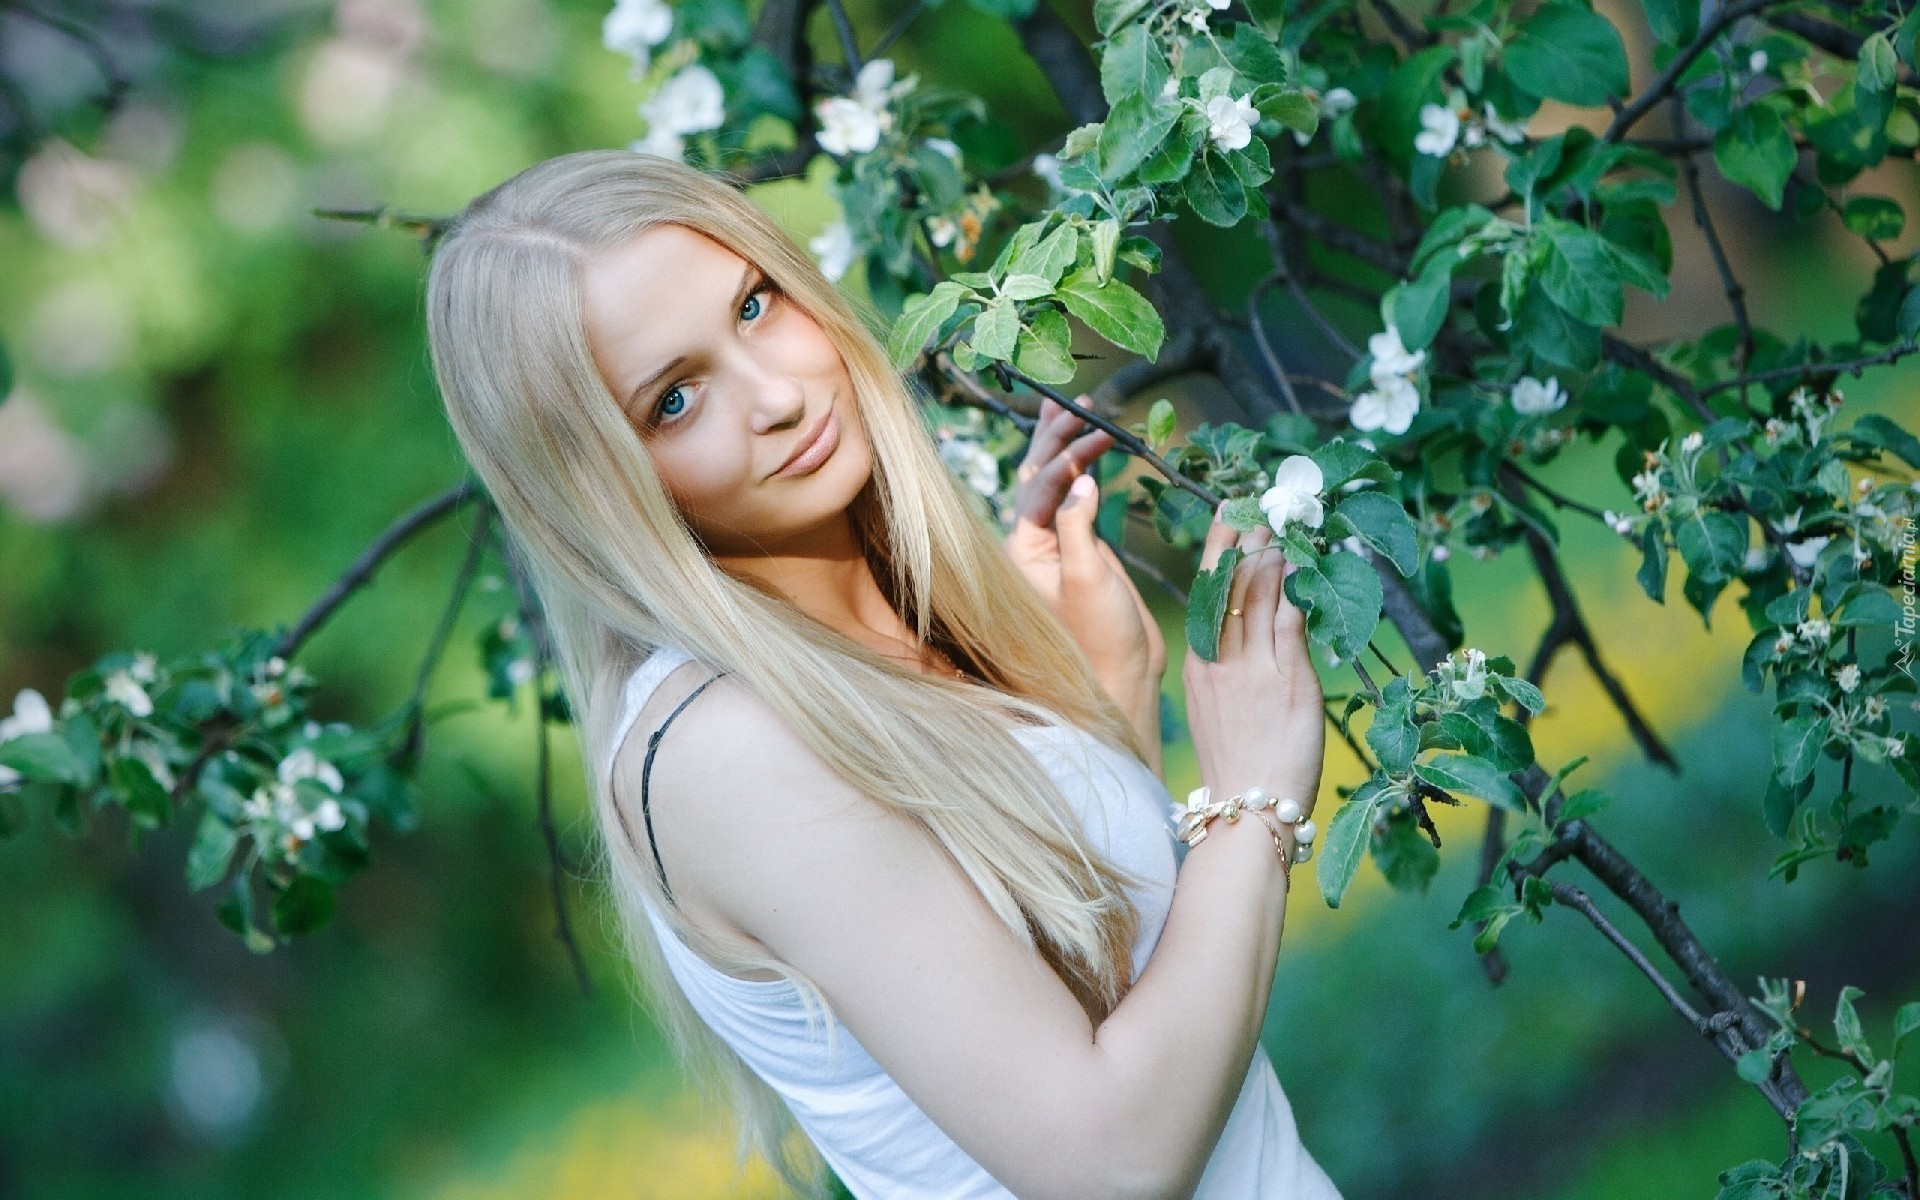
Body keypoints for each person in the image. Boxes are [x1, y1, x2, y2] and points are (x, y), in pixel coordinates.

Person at [423, 149, 1342, 1200]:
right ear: (592, 488)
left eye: (755, 306)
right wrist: (1251, 800)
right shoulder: (725, 753)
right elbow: (1111, 1163)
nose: (776, 395)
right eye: (674, 400)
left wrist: (1100, 698)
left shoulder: (869, 637)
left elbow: (1104, 994)